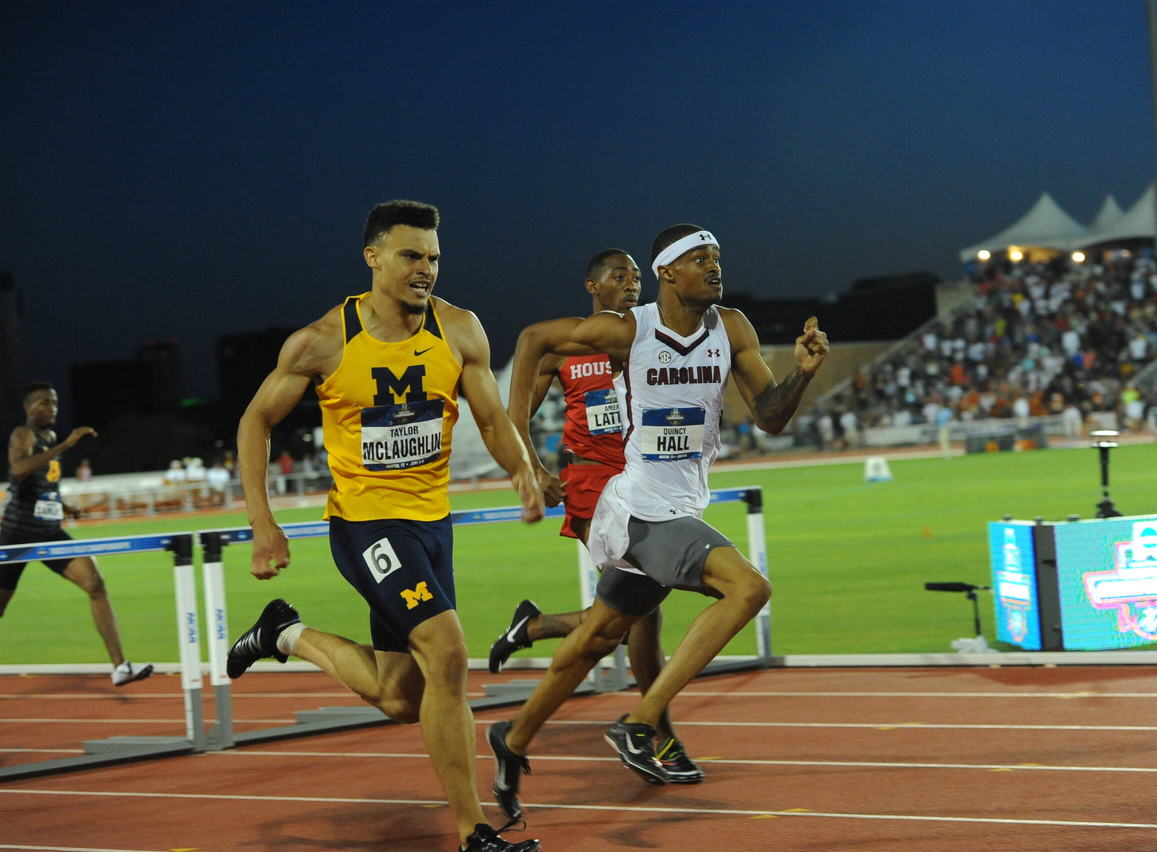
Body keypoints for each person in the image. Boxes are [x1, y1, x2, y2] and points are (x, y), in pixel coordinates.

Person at [225, 200, 543, 852]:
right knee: (449, 650)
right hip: (367, 528)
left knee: (402, 696)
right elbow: (255, 421)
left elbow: (488, 417)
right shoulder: (322, 341)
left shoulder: (460, 330)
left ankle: (283, 633)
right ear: (373, 257)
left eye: (433, 257)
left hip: (432, 527)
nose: (425, 269)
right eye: (410, 256)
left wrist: (521, 471)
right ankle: (474, 832)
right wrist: (264, 524)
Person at [486, 224, 827, 819]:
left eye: (718, 257)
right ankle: (643, 723)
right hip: (640, 503)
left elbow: (770, 417)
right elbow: (533, 338)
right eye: (701, 259)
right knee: (749, 588)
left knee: (600, 633)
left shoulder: (732, 328)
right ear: (669, 272)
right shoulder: (630, 329)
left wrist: (801, 374)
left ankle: (511, 739)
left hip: (684, 501)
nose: (716, 267)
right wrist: (524, 459)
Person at [488, 248, 702, 785]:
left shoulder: (646, 337)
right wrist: (533, 469)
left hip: (644, 484)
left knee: (629, 610)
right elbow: (512, 414)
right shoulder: (567, 346)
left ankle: (537, 626)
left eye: (636, 276)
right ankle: (658, 735)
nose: (631, 283)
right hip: (590, 485)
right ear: (592, 286)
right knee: (642, 611)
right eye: (618, 275)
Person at [0, 383, 152, 686]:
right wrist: (65, 446)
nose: (52, 408)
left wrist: (63, 505)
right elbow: (17, 472)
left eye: (54, 402)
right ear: (29, 407)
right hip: (17, 535)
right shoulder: (24, 435)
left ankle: (120, 667)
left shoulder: (51, 437)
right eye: (44, 402)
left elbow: (42, 486)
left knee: (95, 584)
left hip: (49, 532)